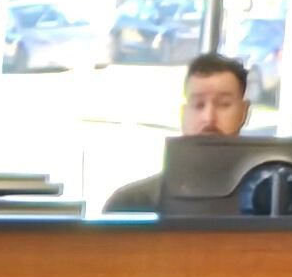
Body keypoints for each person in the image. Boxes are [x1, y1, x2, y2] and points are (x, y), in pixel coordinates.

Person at [99, 54, 252, 214]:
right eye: (198, 105)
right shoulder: (130, 203)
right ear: (183, 114)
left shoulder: (271, 206)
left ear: (244, 112)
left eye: (223, 104)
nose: (209, 118)